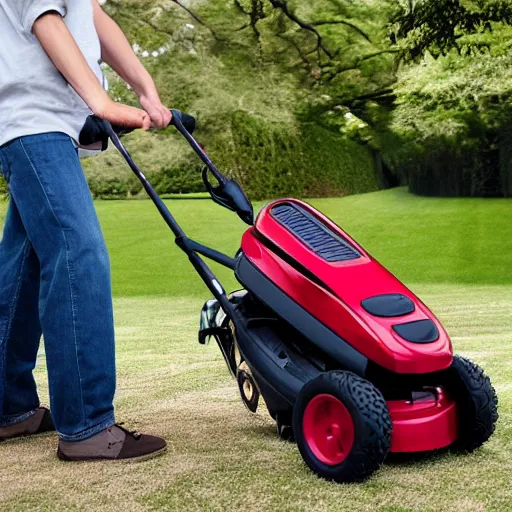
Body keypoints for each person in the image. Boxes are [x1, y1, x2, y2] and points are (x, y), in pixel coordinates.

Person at [0, 0, 171, 461]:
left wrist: (147, 91)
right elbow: (45, 20)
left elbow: (95, 17)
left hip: (48, 124)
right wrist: (101, 100)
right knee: (78, 254)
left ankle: (8, 406)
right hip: (33, 121)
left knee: (24, 266)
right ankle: (87, 424)